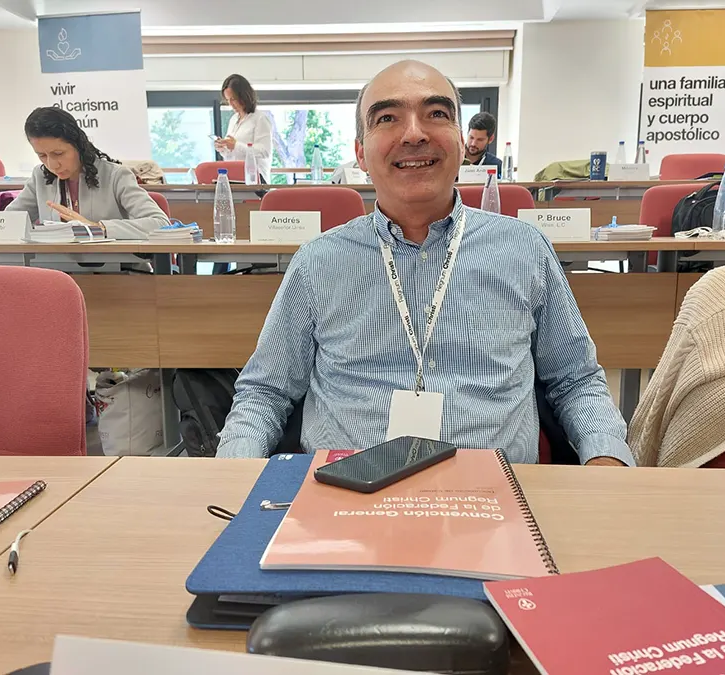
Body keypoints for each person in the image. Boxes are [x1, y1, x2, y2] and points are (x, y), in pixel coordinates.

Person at [215, 59, 633, 467]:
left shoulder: (525, 250)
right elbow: (264, 393)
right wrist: (233, 473)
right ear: (360, 154)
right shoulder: (317, 263)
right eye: (387, 118)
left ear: (461, 142)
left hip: (493, 496)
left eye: (436, 114)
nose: (414, 133)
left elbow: (576, 379)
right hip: (345, 494)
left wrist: (607, 459)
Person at [0, 107, 169, 241]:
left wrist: (97, 228)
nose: (52, 164)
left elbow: (160, 224)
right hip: (56, 271)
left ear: (78, 145)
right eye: (42, 155)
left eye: (58, 153)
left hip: (116, 273)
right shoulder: (40, 176)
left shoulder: (116, 176)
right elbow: (8, 222)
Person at [214, 74, 273, 183]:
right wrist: (223, 148)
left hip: (256, 179)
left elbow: (264, 151)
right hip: (235, 177)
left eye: (233, 99)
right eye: (228, 100)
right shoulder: (233, 119)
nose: (231, 104)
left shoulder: (260, 119)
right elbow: (233, 154)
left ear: (244, 96)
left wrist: (236, 146)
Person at [464, 112, 502, 177]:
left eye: (480, 140)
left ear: (490, 139)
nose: (473, 143)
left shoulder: (496, 165)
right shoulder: (452, 159)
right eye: (471, 137)